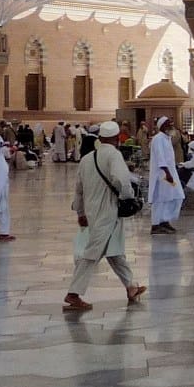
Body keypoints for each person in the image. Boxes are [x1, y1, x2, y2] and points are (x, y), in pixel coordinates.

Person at [64, 121, 146, 312]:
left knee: (115, 250)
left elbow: (79, 190)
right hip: (108, 211)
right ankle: (73, 294)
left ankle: (131, 287)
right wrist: (128, 198)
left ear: (100, 138)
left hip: (93, 212)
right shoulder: (114, 155)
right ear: (117, 138)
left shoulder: (86, 159)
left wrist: (81, 212)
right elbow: (121, 180)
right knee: (92, 253)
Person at [148, 117, 184, 235]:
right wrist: (167, 173)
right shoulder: (158, 139)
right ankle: (156, 225)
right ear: (162, 126)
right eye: (169, 125)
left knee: (175, 196)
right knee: (161, 199)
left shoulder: (167, 138)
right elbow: (160, 157)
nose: (172, 127)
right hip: (163, 175)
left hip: (170, 173)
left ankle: (164, 221)